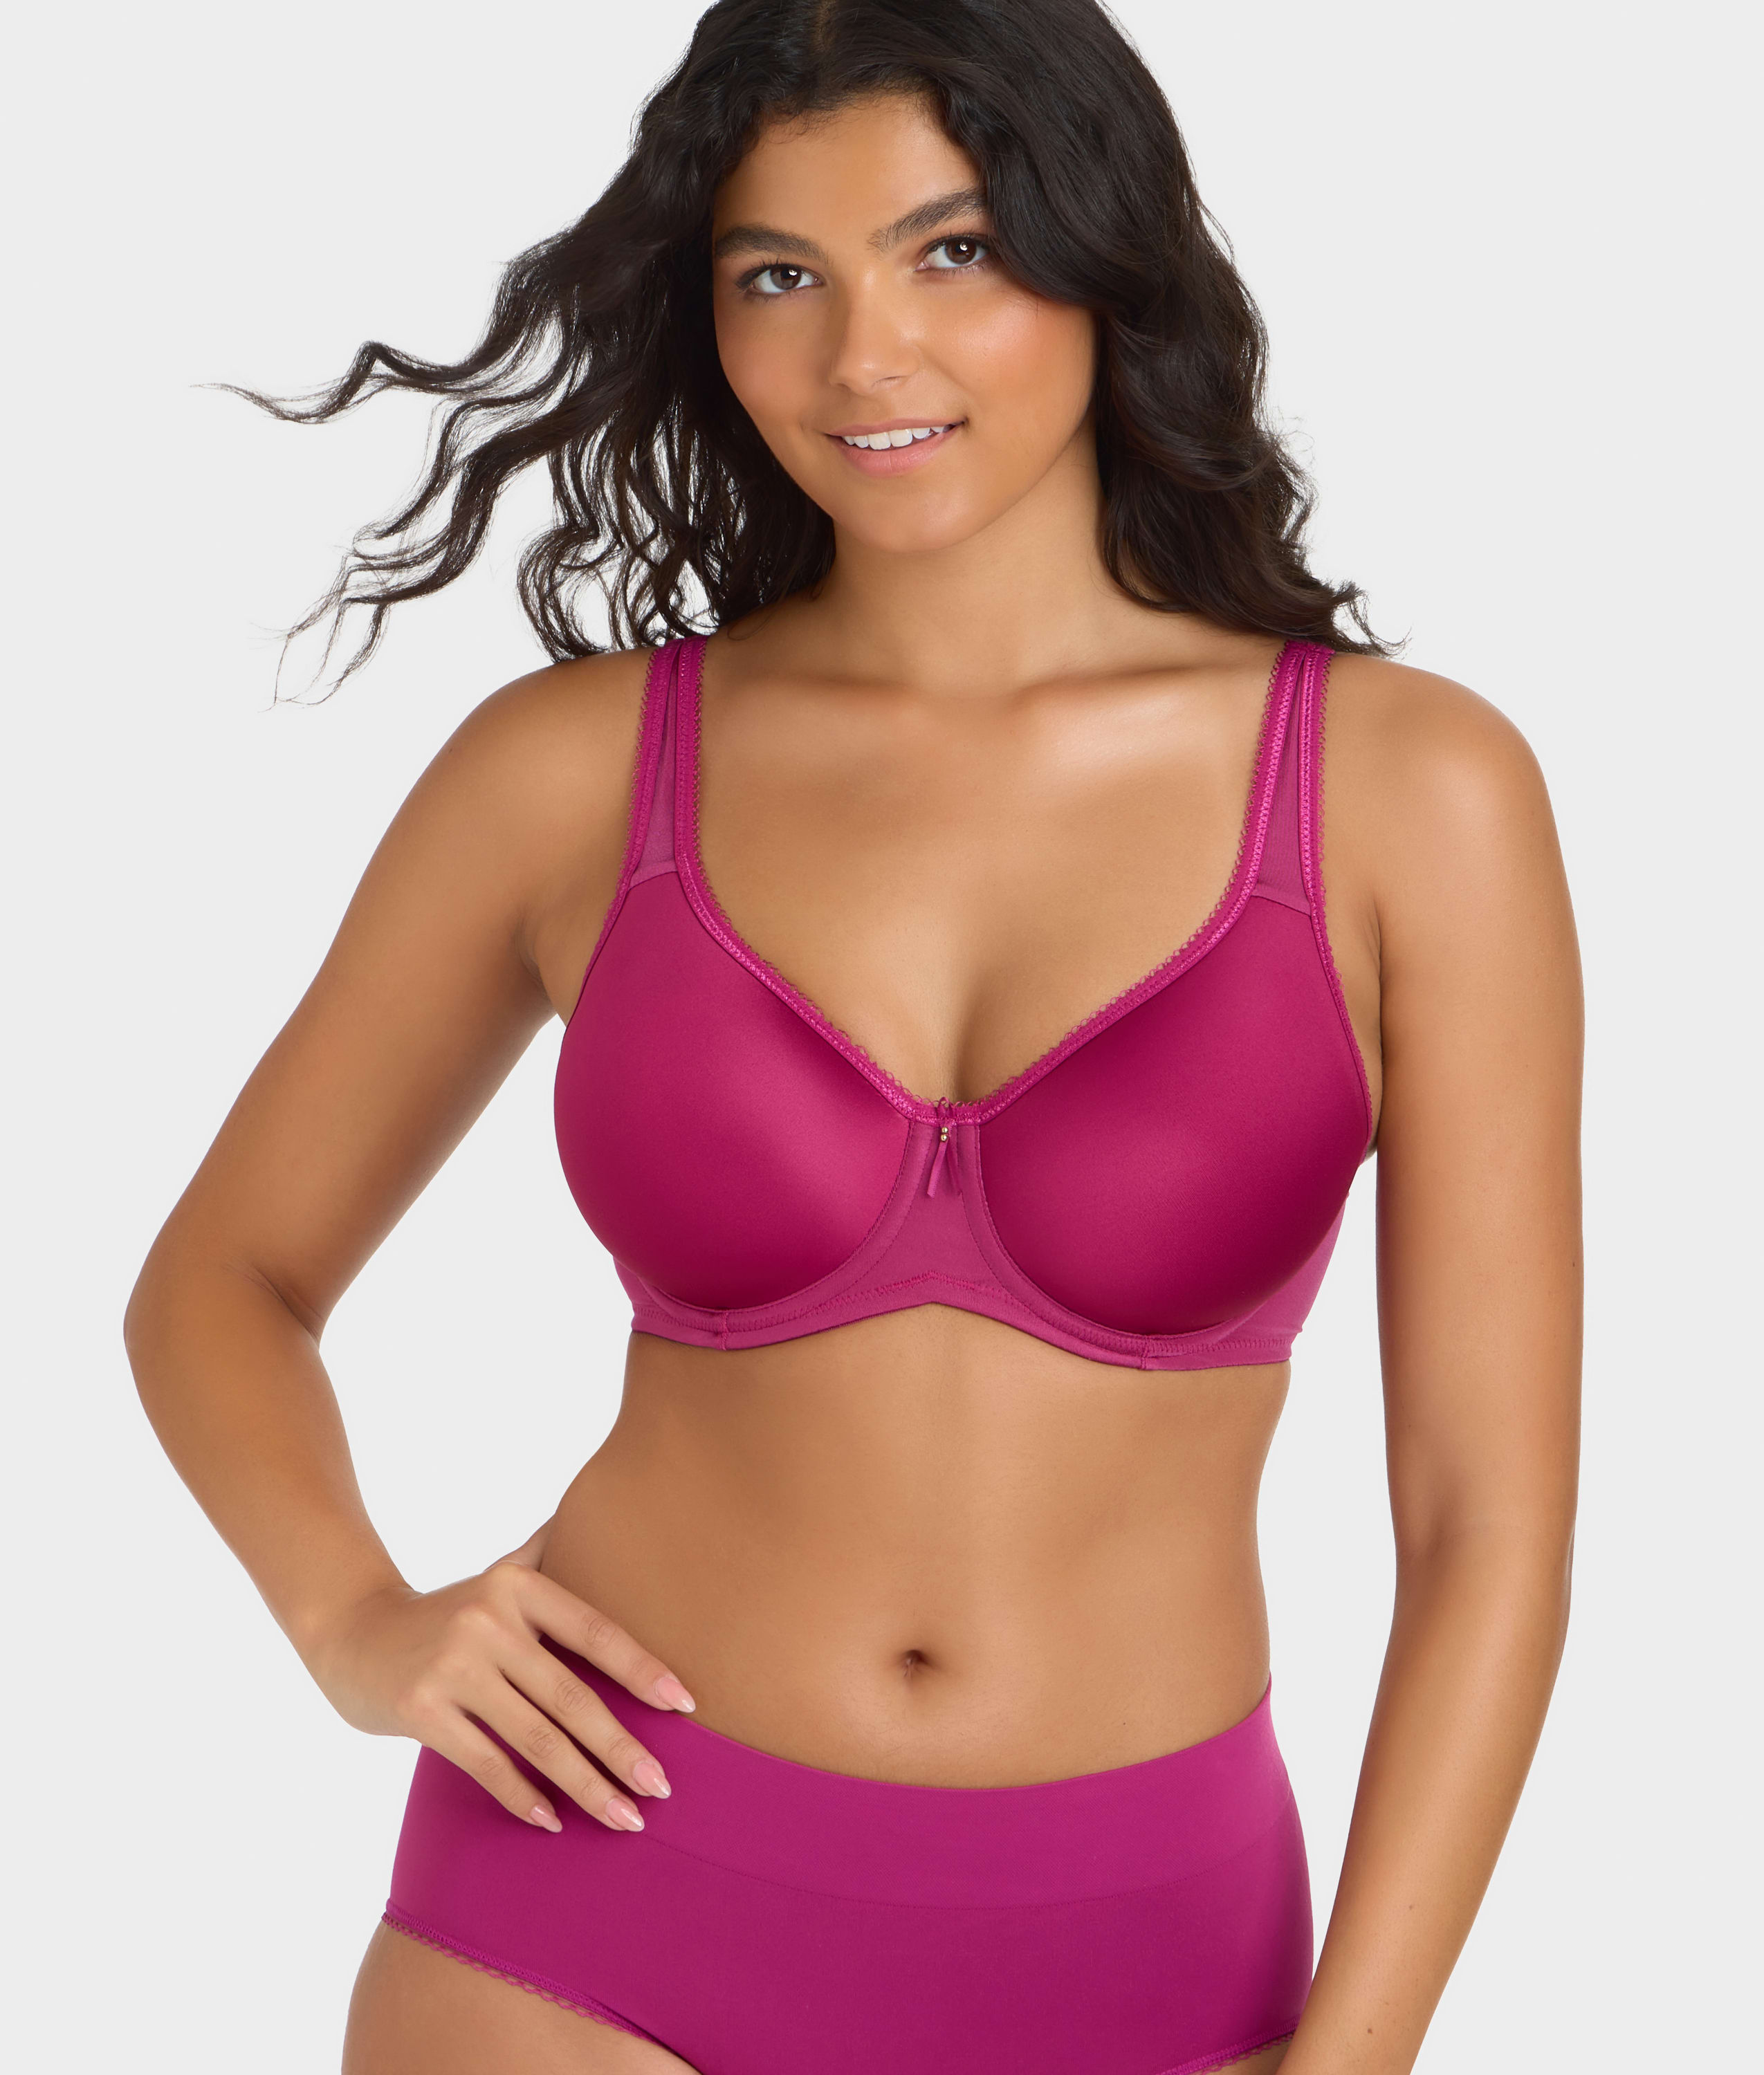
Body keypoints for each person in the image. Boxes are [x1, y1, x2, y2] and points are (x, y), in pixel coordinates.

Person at [123, 2, 1583, 2070]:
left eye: (950, 252)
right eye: (778, 278)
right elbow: (220, 1280)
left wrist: (1356, 2063)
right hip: (581, 1918)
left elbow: (1483, 1525)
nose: (862, 358)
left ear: (1102, 253)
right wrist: (354, 1616)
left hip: (1142, 1951)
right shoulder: (571, 773)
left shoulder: (1409, 796)